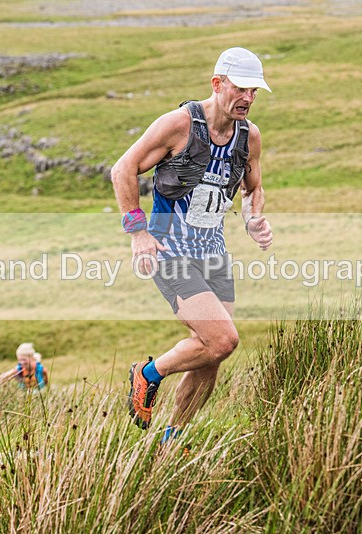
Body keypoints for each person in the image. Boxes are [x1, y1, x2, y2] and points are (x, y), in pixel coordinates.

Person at [111, 47, 274, 441]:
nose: (248, 99)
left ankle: (173, 437)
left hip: (214, 254)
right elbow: (123, 169)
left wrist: (253, 219)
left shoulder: (248, 136)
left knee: (214, 354)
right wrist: (138, 233)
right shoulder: (179, 125)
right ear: (217, 84)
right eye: (241, 89)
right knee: (223, 339)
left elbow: (254, 187)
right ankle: (147, 374)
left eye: (255, 91)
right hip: (170, 250)